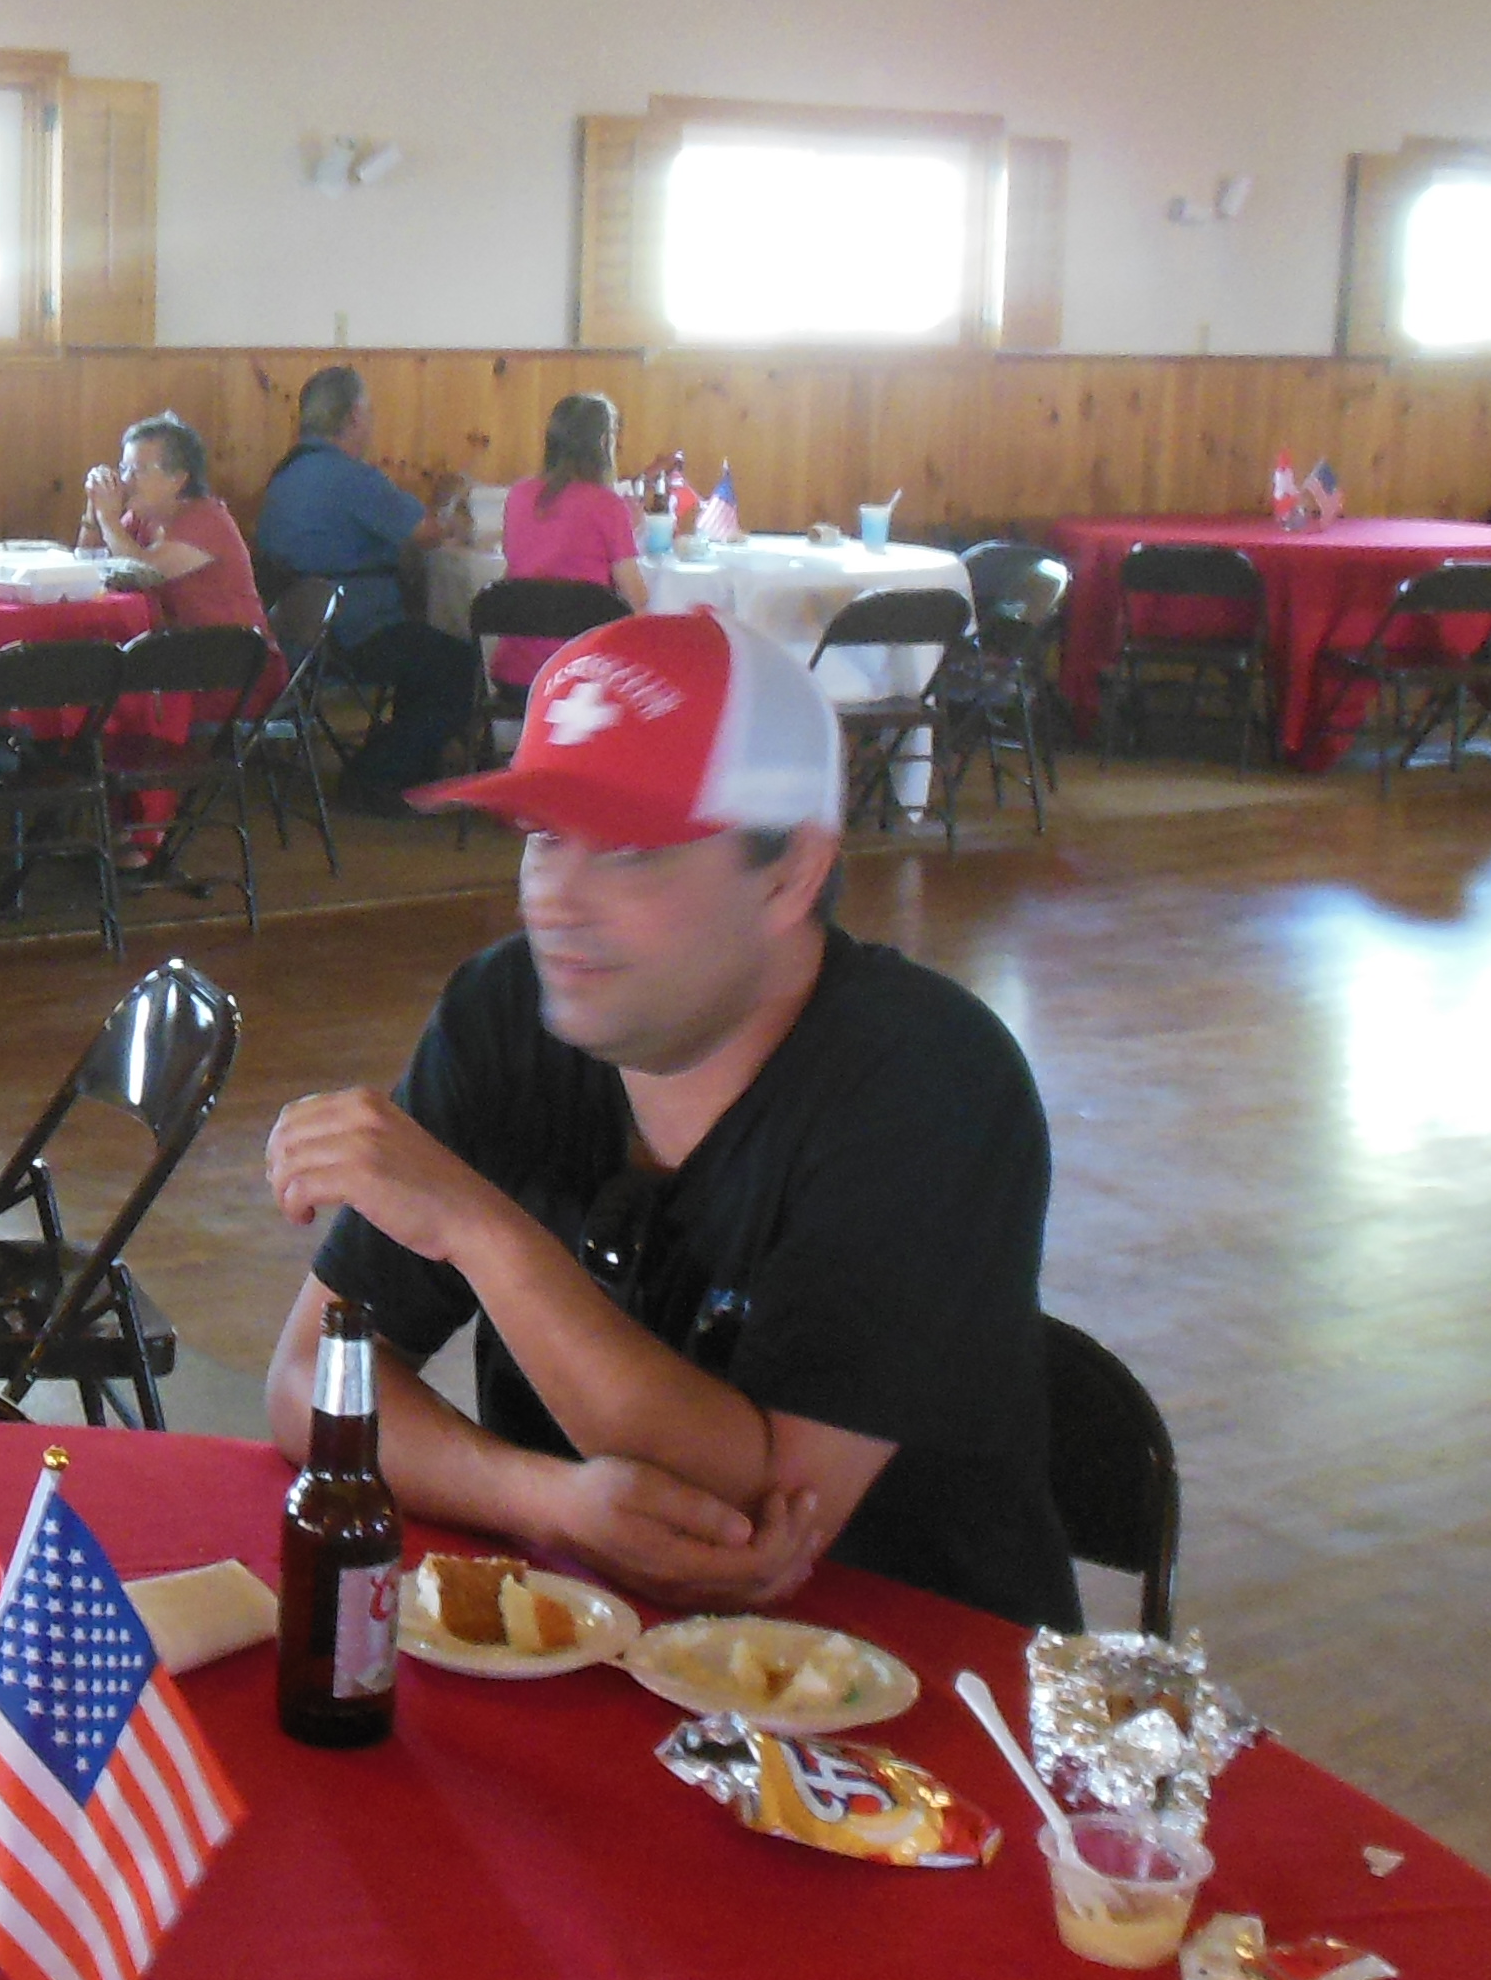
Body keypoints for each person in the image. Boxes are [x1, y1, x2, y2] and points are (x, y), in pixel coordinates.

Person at [255, 610, 1075, 1631]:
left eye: (631, 850)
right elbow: (308, 1383)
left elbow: (751, 1521)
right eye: (544, 837)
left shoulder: (929, 1081)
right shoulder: (505, 1015)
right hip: (598, 1650)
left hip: (902, 1683)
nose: (556, 899)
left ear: (789, 874)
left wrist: (473, 1227)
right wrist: (543, 1500)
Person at [248, 364, 481, 808]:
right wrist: (450, 502)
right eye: (369, 412)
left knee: (426, 654)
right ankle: (377, 774)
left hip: (300, 632)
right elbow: (427, 533)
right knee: (461, 666)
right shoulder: (349, 478)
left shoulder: (288, 472)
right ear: (355, 416)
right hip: (352, 631)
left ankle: (410, 768)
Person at [490, 391, 652, 687]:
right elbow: (636, 597)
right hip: (582, 676)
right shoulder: (608, 505)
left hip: (515, 672)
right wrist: (631, 532)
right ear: (603, 442)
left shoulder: (519, 495)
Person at [76, 412, 267, 637]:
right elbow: (89, 570)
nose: (126, 480)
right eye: (124, 468)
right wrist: (93, 512)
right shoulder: (141, 516)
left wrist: (108, 519)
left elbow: (141, 572)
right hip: (173, 646)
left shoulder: (207, 519)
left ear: (178, 478)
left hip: (231, 650)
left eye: (139, 470)